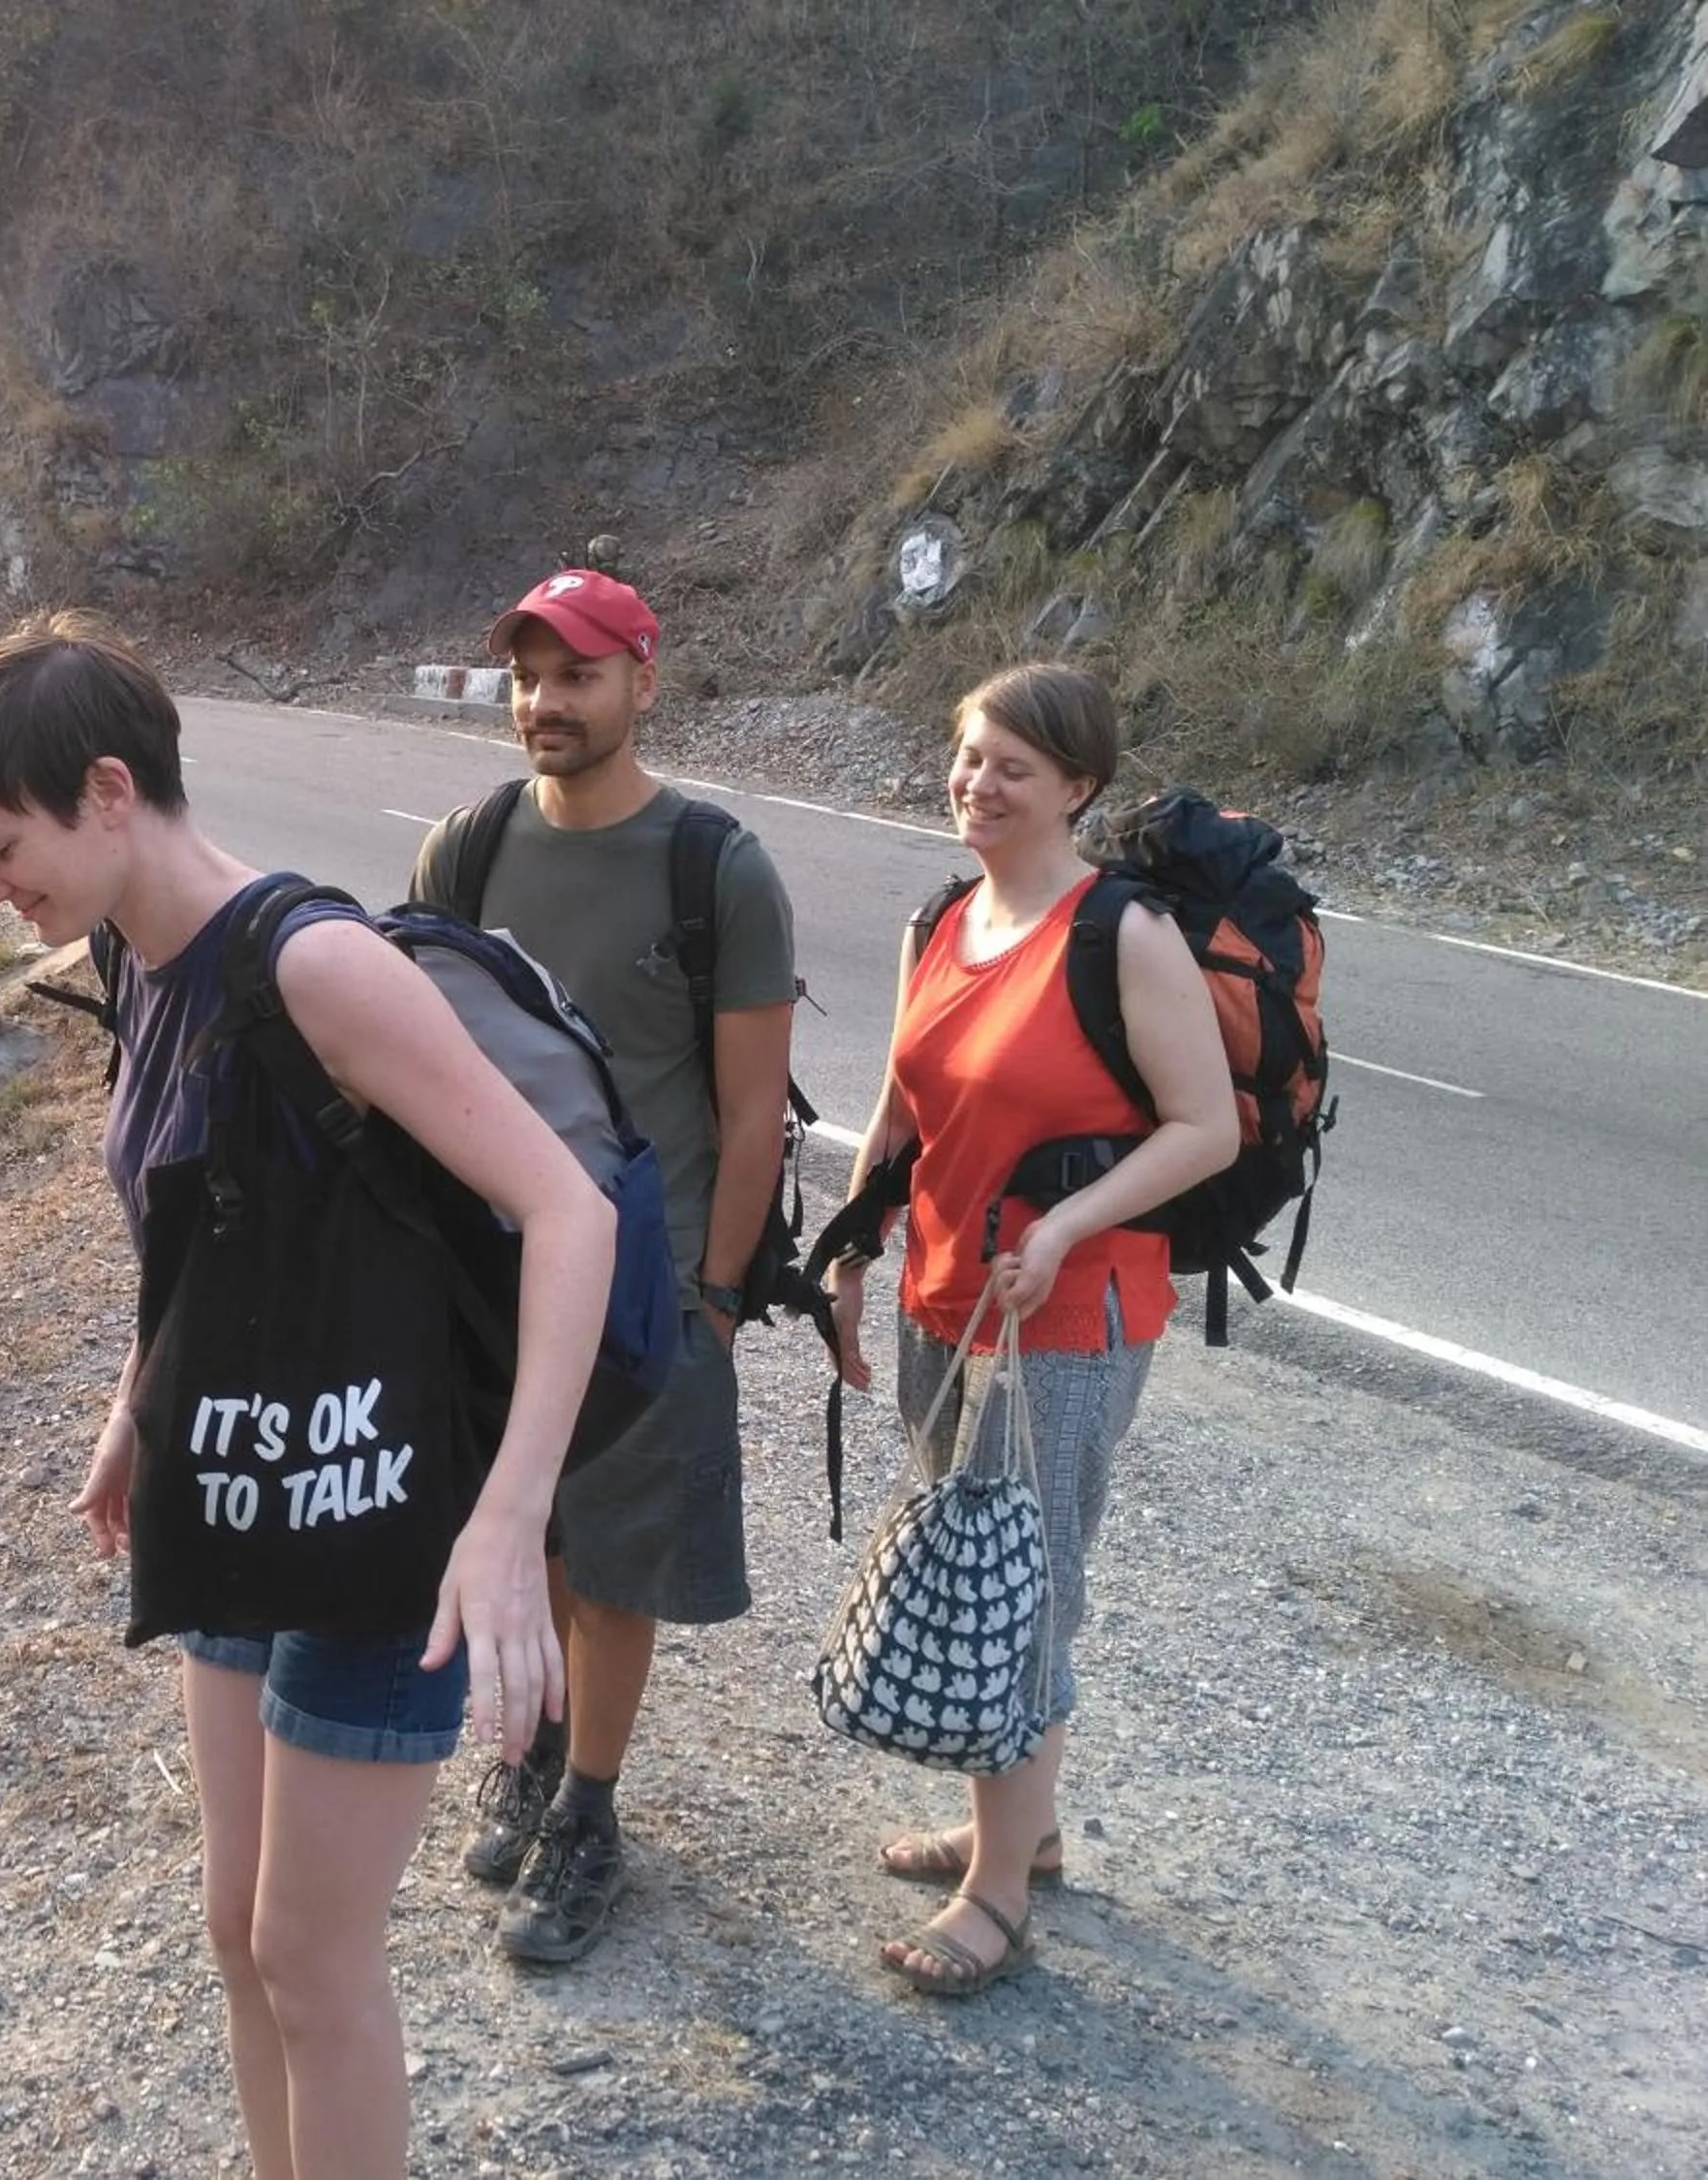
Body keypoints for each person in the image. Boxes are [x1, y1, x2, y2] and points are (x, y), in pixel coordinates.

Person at [0, 612, 613, 2180]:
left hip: (381, 1510)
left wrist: (508, 1525)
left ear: (107, 789)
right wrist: (135, 1405)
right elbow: (206, 1223)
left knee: (312, 1955)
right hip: (232, 1485)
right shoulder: (132, 956)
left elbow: (572, 1210)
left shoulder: (315, 965)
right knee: (238, 1928)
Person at [823, 662, 1235, 1995]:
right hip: (947, 1294)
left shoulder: (1122, 934)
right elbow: (902, 1111)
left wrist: (1064, 1228)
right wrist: (850, 1253)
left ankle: (998, 1892)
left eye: (1014, 766)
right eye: (969, 755)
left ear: (1078, 787)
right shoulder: (943, 917)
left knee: (1026, 1581)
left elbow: (1205, 1129)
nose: (978, 783)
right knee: (979, 1557)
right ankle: (1024, 1827)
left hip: (1066, 1312)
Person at [407, 568, 798, 1966]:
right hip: (497, 1276)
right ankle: (537, 1750)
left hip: (649, 1284)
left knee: (621, 1560)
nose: (544, 703)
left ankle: (588, 1809)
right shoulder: (465, 850)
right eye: (528, 677)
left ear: (643, 680)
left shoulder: (717, 868)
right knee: (536, 1531)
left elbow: (751, 1112)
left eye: (575, 675)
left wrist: (718, 1296)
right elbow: (424, 1058)